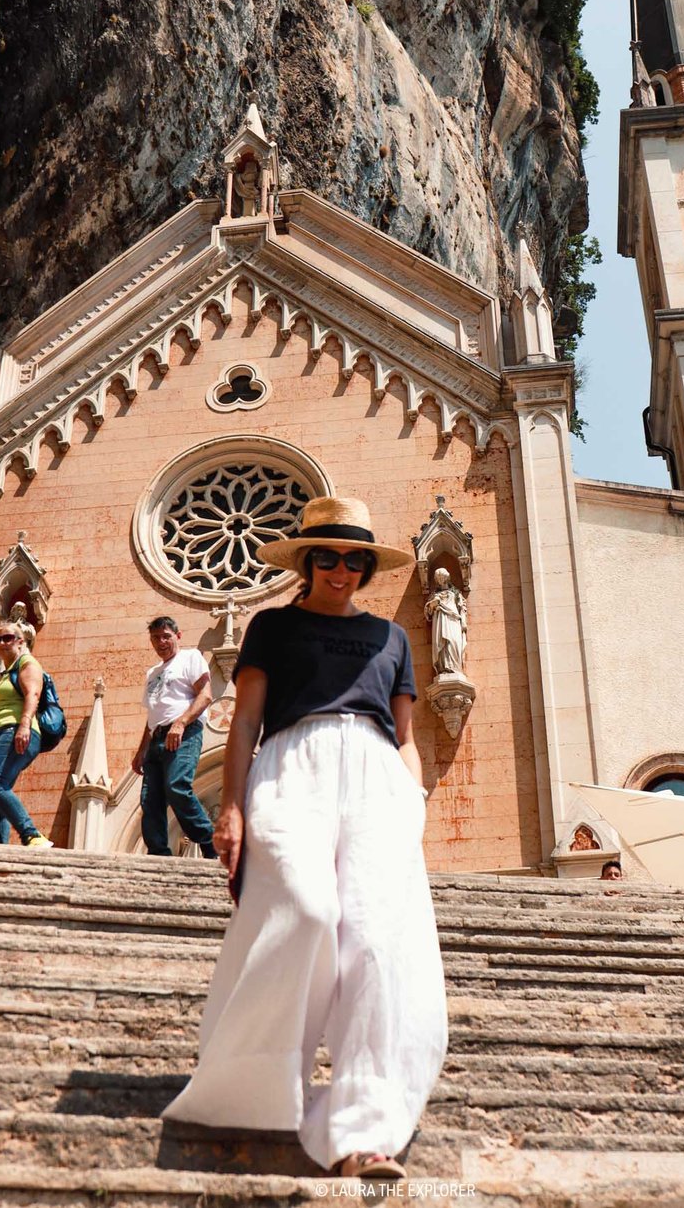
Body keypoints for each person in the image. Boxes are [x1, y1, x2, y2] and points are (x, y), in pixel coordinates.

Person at [162, 496, 447, 1181]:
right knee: (306, 908)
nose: (342, 570)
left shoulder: (392, 639)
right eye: (328, 556)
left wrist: (416, 802)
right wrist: (229, 808)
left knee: (377, 942)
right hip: (292, 765)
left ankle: (364, 1134)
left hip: (380, 779)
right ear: (307, 560)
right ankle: (253, 1086)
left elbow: (405, 738)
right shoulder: (272, 627)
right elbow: (246, 722)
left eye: (356, 559)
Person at [132, 617, 217, 859]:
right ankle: (159, 854)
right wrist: (141, 750)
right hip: (157, 738)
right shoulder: (153, 672)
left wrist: (180, 724)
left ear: (177, 636)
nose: (161, 642)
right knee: (151, 801)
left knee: (177, 786)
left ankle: (211, 843)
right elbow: (154, 716)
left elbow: (205, 695)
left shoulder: (190, 658)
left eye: (166, 636)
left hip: (183, 733)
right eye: (156, 638)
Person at [0, 620, 52, 846]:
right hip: (1, 734)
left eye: (8, 638)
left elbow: (33, 694)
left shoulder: (27, 663)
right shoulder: (7, 672)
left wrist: (24, 724)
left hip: (16, 730)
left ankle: (31, 834)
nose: (2, 642)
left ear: (21, 642)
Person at [424, 567, 467, 675]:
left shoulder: (456, 593)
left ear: (446, 577)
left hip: (453, 620)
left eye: (442, 577)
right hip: (440, 620)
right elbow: (428, 611)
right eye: (438, 578)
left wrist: (464, 622)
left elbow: (462, 608)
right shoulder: (434, 594)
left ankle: (455, 666)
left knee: (453, 641)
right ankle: (443, 667)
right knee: (441, 643)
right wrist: (432, 605)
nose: (440, 580)